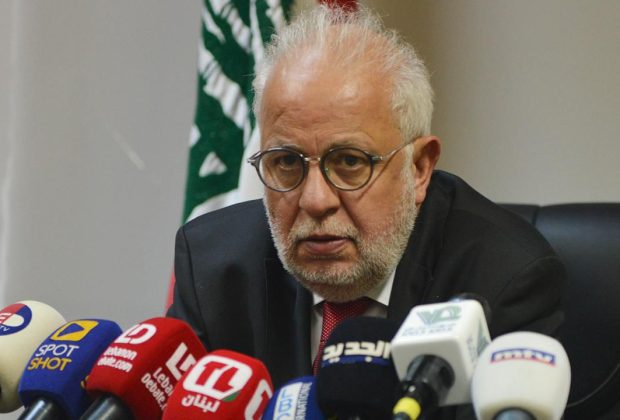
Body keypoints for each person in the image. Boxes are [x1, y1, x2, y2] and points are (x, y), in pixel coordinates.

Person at [168, 5, 565, 417]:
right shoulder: (215, 268)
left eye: (350, 161)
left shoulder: (502, 281)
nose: (316, 200)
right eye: (286, 162)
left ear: (419, 167)